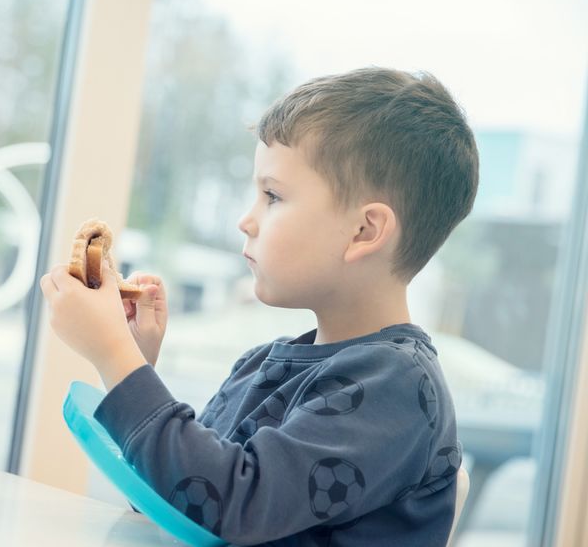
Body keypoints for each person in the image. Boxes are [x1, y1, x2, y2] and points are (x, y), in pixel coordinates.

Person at [41, 67, 478, 545]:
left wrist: (114, 357)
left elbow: (231, 505)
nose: (246, 220)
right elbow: (181, 502)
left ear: (364, 231)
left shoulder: (396, 387)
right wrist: (134, 360)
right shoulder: (261, 365)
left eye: (272, 195)